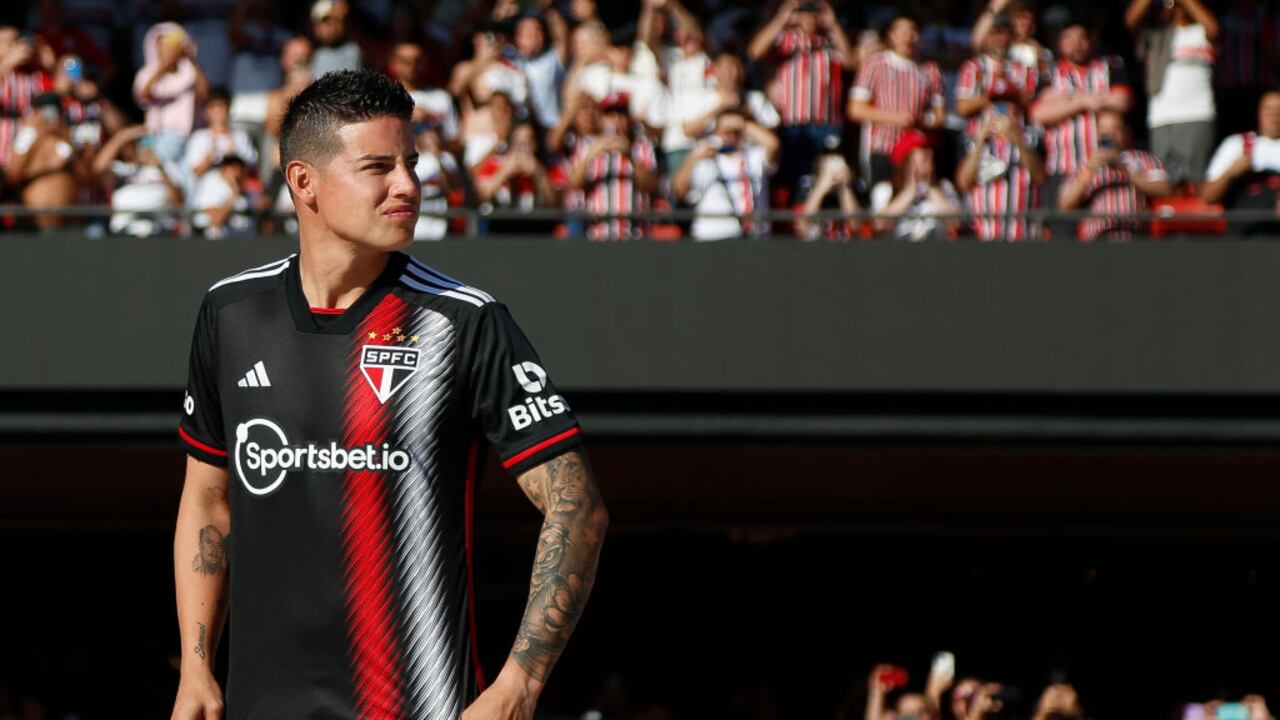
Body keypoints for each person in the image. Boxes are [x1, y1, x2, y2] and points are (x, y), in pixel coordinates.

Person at [170, 69, 607, 720]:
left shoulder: (465, 320)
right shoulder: (231, 314)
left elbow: (578, 508)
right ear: (303, 183)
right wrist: (198, 671)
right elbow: (209, 503)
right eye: (378, 166)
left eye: (412, 163)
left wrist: (520, 685)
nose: (408, 185)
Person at [1029, 21, 1133, 240]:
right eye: (1069, 39)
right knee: (1062, 233)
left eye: (1081, 38)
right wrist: (1084, 101)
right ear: (1059, 42)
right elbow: (1038, 113)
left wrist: (1065, 99)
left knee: (1104, 231)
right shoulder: (1049, 74)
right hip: (1062, 167)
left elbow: (1122, 100)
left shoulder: (1110, 65)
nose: (1076, 45)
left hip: (1104, 168)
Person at [749, 0, 852, 200]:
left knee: (830, 177)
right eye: (805, 12)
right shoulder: (785, 40)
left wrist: (834, 25)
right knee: (794, 180)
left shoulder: (830, 42)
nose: (811, 17)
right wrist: (782, 17)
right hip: (792, 123)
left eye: (815, 12)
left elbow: (851, 61)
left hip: (826, 123)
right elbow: (755, 51)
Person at [1124, 0, 1218, 186]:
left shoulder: (1199, 33)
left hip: (1196, 115)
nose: (1168, 8)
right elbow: (1130, 21)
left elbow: (1213, 28)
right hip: (1160, 118)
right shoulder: (1154, 35)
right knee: (1164, 181)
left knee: (1196, 181)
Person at [848, 15, 946, 188]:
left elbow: (940, 116)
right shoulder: (875, 65)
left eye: (913, 32)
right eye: (903, 32)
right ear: (892, 35)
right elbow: (855, 109)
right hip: (881, 148)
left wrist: (921, 121)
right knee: (883, 198)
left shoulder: (930, 70)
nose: (908, 37)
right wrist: (894, 118)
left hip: (916, 152)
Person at [1058, 109, 1171, 241]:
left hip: (1134, 237)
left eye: (1115, 129)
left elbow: (1165, 189)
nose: (1110, 134)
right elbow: (1064, 205)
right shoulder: (1085, 165)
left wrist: (1124, 169)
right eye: (1104, 130)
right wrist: (1088, 172)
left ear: (1126, 132)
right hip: (1097, 240)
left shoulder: (1143, 160)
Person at [673, 106, 780, 241]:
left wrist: (742, 124)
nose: (731, 136)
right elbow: (680, 190)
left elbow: (773, 145)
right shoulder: (705, 160)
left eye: (736, 132)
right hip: (713, 236)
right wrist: (693, 158)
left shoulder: (754, 157)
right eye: (726, 131)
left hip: (752, 237)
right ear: (717, 131)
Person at [565, 93, 660, 240]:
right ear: (601, 119)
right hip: (597, 236)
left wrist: (630, 157)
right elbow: (573, 185)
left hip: (634, 236)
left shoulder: (641, 147)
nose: (616, 120)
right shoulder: (586, 146)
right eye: (610, 115)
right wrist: (591, 154)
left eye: (621, 115)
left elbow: (652, 185)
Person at [6, 91, 92, 230]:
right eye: (44, 110)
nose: (49, 116)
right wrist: (36, 136)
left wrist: (67, 139)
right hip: (35, 225)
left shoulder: (71, 139)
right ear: (35, 112)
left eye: (54, 110)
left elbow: (87, 179)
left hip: (71, 222)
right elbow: (13, 176)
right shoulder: (25, 138)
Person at [956, 111, 1045, 241]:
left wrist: (1016, 138)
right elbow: (963, 182)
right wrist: (979, 141)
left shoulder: (1032, 138)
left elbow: (1039, 175)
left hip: (1022, 237)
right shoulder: (974, 143)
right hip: (984, 237)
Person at [133, 22, 209, 168]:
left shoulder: (190, 71)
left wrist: (191, 57)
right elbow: (143, 97)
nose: (165, 51)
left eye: (170, 47)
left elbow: (204, 94)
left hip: (192, 135)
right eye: (161, 47)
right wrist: (162, 68)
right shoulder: (146, 73)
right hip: (161, 136)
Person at [1202, 91, 1280, 230]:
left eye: (1279, 110)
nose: (1274, 115)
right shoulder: (1236, 144)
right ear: (1259, 113)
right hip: (1245, 232)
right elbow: (1208, 196)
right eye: (1269, 109)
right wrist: (1232, 172)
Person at [871, 129, 961, 241]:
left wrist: (931, 189)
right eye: (923, 150)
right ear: (907, 157)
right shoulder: (884, 189)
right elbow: (880, 225)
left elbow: (955, 223)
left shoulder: (944, 187)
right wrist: (909, 192)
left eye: (930, 149)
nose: (930, 153)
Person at [182, 86, 258, 193]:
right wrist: (211, 157)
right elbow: (196, 173)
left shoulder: (241, 137)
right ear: (206, 112)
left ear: (228, 109)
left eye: (222, 106)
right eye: (213, 107)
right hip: (207, 196)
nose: (218, 111)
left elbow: (251, 170)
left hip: (236, 196)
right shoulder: (199, 137)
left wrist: (234, 160)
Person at [387, 41, 460, 151]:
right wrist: (405, 118)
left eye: (417, 61)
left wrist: (439, 141)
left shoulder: (441, 97)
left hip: (440, 162)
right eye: (406, 61)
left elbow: (456, 142)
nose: (412, 66)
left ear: (425, 63)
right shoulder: (386, 99)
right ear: (393, 64)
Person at [0, 27, 55, 168]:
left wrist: (50, 64)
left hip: (27, 159)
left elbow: (53, 105)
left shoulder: (35, 76)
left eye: (18, 41)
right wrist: (6, 65)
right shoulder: (5, 71)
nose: (17, 46)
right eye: (9, 42)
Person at [191, 153, 253, 238]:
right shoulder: (211, 183)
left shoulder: (242, 189)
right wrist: (234, 196)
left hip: (243, 240)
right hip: (216, 241)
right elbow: (216, 219)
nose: (238, 173)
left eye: (240, 170)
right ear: (223, 169)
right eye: (233, 169)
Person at [309, 0, 362, 78]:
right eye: (325, 22)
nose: (331, 28)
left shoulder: (352, 51)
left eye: (336, 21)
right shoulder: (309, 52)